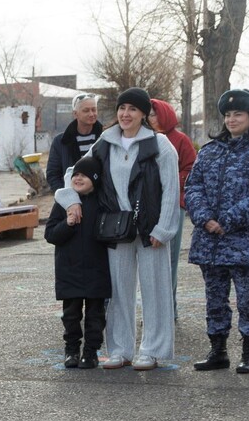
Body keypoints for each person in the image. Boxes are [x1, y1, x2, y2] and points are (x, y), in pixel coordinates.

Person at [56, 87, 181, 370]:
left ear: (143, 114)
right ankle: (120, 350)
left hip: (152, 230)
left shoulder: (159, 145)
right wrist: (70, 201)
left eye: (133, 109)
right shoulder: (105, 142)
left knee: (155, 291)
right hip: (116, 227)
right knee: (119, 291)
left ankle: (152, 350)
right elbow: (72, 173)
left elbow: (171, 189)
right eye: (122, 108)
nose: (125, 114)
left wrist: (165, 228)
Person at [184, 88, 249, 374]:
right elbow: (193, 187)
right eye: (227, 115)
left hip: (245, 242)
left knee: (248, 300)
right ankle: (218, 351)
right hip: (210, 242)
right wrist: (204, 218)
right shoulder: (211, 150)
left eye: (237, 114)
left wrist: (226, 220)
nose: (231, 119)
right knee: (214, 299)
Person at [44, 156, 111, 368]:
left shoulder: (102, 203)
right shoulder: (64, 203)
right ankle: (71, 350)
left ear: (95, 179)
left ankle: (90, 352)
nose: (78, 178)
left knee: (95, 315)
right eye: (75, 175)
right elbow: (51, 234)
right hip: (69, 270)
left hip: (97, 269)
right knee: (71, 316)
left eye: (84, 175)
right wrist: (68, 223)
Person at [149, 98, 197, 319]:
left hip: (174, 205)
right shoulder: (144, 139)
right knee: (151, 262)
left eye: (152, 114)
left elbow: (191, 169)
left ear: (164, 115)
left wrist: (170, 182)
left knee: (170, 261)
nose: (149, 118)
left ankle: (169, 310)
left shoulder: (180, 140)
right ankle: (155, 310)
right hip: (149, 206)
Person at [46, 94, 103, 194]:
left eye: (94, 110)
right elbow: (53, 175)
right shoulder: (61, 142)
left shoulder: (106, 138)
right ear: (75, 114)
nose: (91, 114)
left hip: (103, 200)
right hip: (71, 201)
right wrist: (68, 197)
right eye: (86, 110)